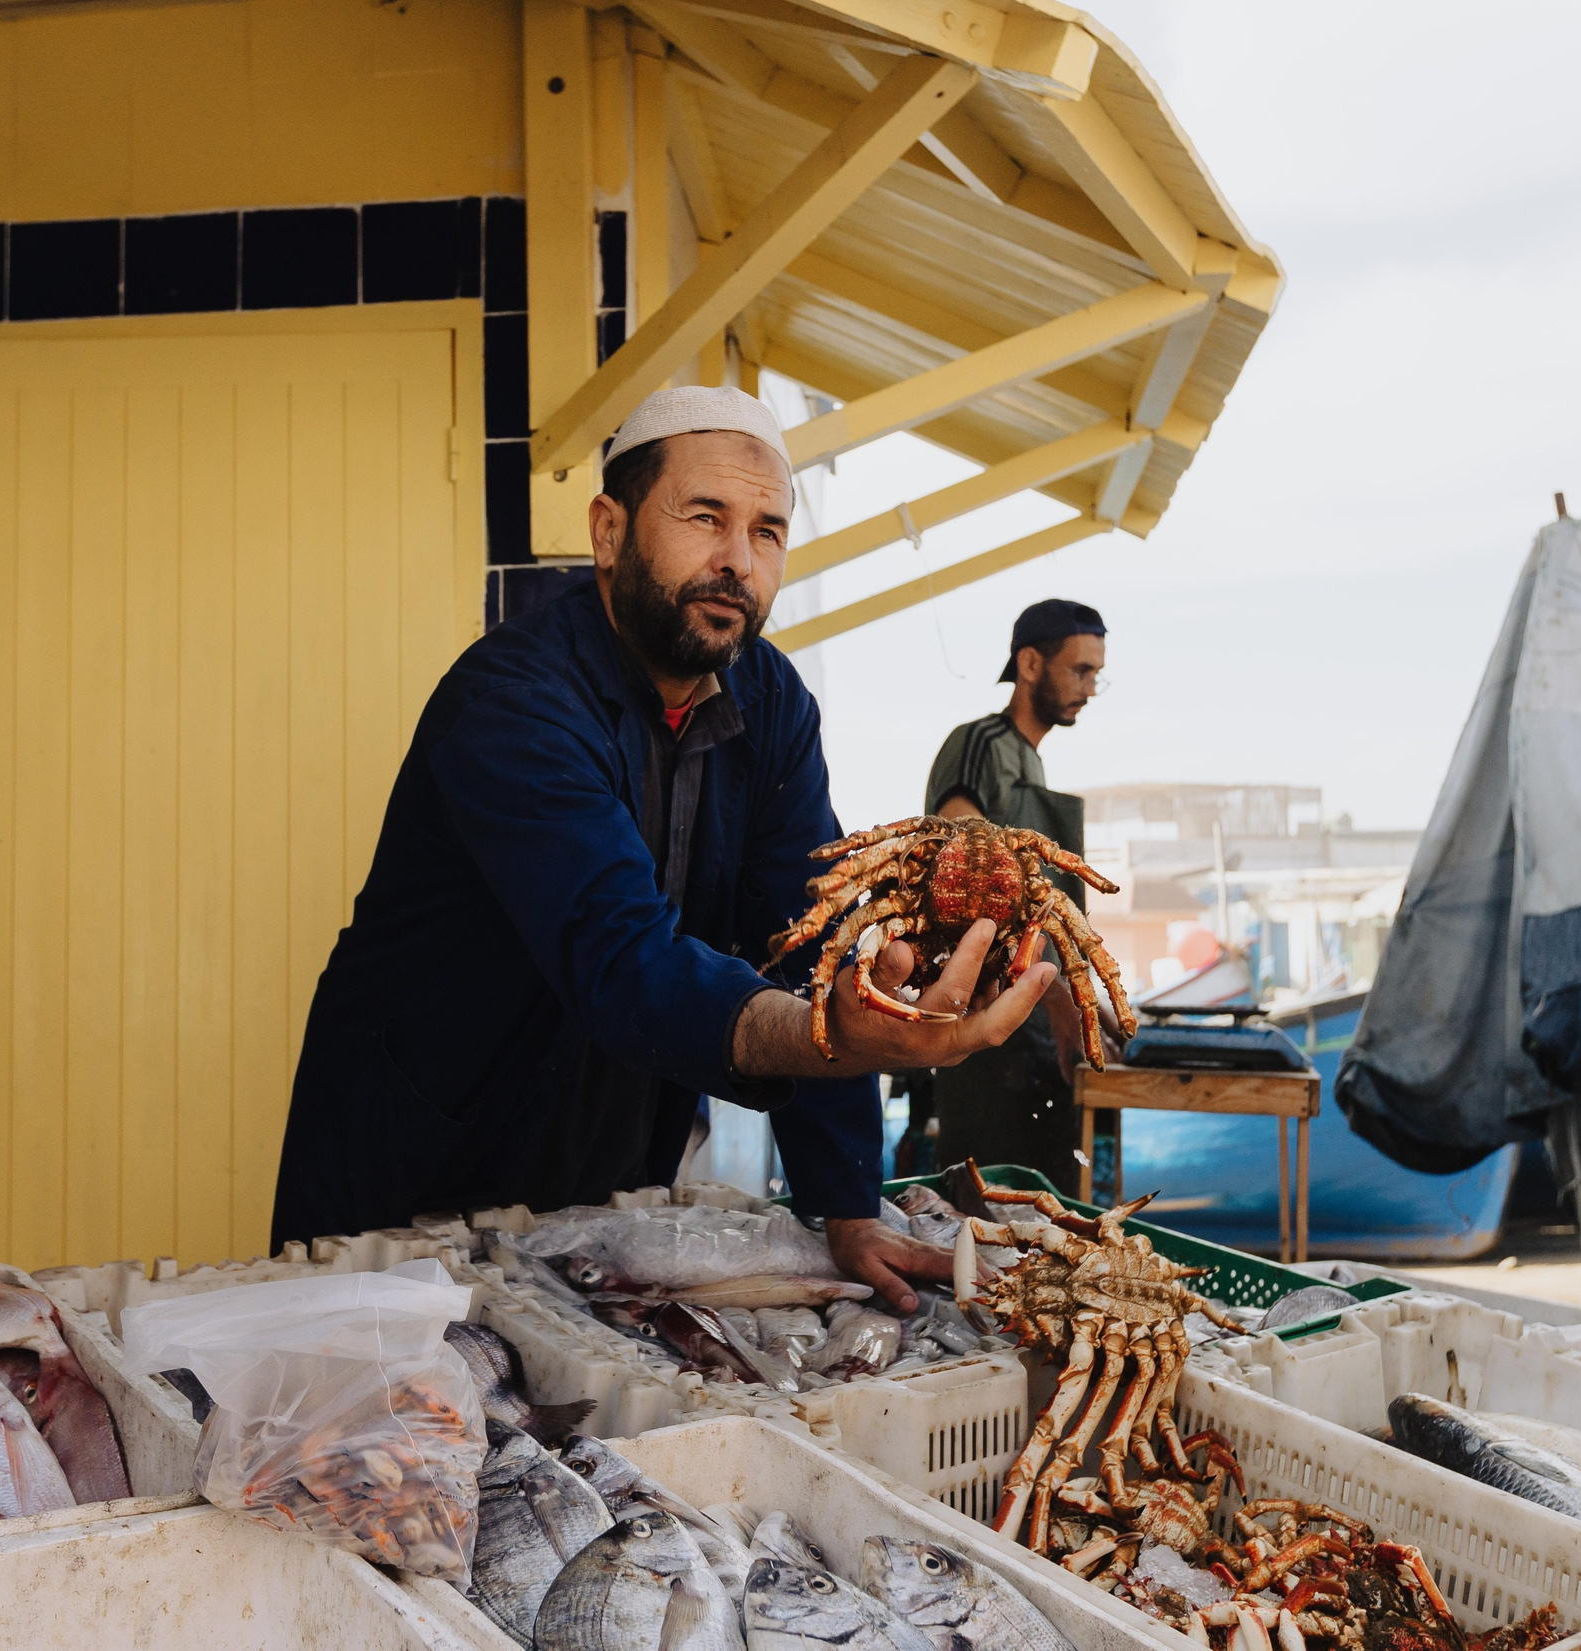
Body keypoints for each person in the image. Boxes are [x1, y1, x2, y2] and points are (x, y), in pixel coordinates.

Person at [268, 386, 1059, 1307]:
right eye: (704, 517)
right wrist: (825, 1035)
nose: (737, 561)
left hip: (602, 1182)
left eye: (767, 531)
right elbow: (622, 958)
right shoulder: (512, 702)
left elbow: (816, 938)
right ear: (609, 530)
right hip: (408, 1182)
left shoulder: (770, 703)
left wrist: (847, 1206)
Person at [908, 600, 1108, 1192]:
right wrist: (1060, 1001)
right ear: (1029, 663)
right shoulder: (979, 745)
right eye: (1081, 670)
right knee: (982, 1207)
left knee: (1043, 1213)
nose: (1091, 688)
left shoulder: (1031, 764)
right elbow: (976, 882)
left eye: (1097, 673)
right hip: (981, 1028)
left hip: (1039, 1028)